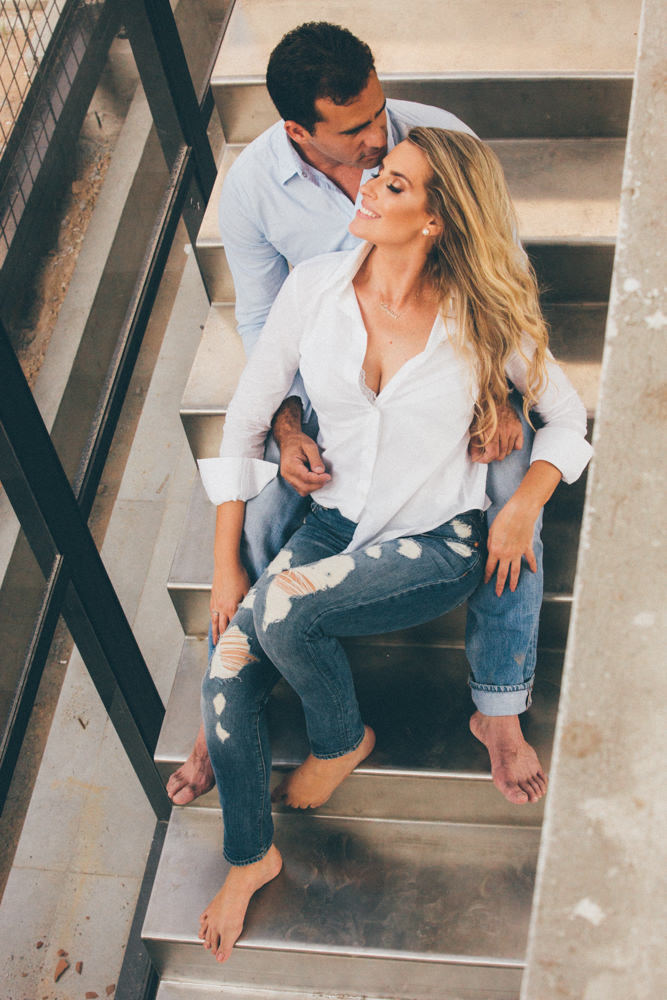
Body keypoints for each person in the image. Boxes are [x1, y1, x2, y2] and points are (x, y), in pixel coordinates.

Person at [195, 128, 592, 962]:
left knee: (284, 610)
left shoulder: (482, 315)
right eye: (378, 174)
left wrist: (521, 505)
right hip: (332, 527)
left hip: (438, 541)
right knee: (224, 673)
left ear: (435, 220)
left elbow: (564, 418)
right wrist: (225, 561)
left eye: (395, 184)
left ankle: (342, 739)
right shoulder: (314, 288)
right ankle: (250, 855)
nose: (369, 187)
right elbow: (245, 418)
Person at [167, 22, 541, 809]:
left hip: (449, 372)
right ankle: (225, 702)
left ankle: (499, 706)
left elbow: (504, 276)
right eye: (355, 129)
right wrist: (287, 428)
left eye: (378, 110)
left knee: (514, 493)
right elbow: (262, 322)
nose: (378, 137)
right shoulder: (252, 189)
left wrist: (500, 396)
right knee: (260, 517)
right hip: (328, 385)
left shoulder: (437, 145)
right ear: (297, 131)